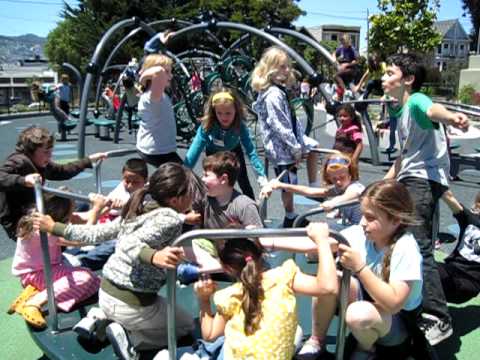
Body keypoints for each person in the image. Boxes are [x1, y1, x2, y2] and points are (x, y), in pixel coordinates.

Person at [32, 163, 198, 360]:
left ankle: (100, 319)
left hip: (107, 293)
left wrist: (56, 227)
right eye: (191, 194)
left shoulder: (140, 205)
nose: (194, 198)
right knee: (186, 325)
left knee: (166, 311)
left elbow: (100, 232)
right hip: (132, 303)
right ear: (176, 199)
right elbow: (131, 242)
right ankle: (131, 339)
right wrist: (154, 256)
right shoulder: (170, 218)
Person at [382, 53, 469, 346]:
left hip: (421, 181)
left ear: (407, 79)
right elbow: (405, 155)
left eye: (389, 73)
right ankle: (413, 305)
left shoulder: (417, 100)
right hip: (411, 178)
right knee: (403, 243)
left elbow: (434, 110)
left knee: (418, 247)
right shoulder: (401, 111)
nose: (384, 77)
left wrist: (453, 117)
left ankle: (438, 317)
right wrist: (382, 184)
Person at [299, 179, 423, 359]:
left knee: (359, 314)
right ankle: (317, 340)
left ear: (396, 220)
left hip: (399, 325)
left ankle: (366, 348)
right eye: (363, 215)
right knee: (332, 279)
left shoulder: (406, 248)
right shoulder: (361, 233)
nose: (363, 222)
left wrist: (360, 267)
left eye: (371, 218)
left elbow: (394, 303)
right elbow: (314, 243)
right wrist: (265, 242)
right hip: (373, 309)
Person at [192, 223, 338, 360]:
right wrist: (321, 241)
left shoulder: (231, 296)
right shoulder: (284, 277)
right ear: (261, 253)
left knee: (217, 344)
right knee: (297, 332)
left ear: (227, 268)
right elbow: (328, 287)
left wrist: (203, 299)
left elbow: (209, 334)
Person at [8, 190, 102, 329]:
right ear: (61, 213)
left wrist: (105, 206)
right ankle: (34, 303)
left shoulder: (38, 217)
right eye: (71, 210)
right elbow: (83, 238)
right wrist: (97, 208)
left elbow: (83, 217)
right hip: (37, 273)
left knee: (95, 283)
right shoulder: (45, 230)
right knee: (85, 277)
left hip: (43, 269)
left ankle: (35, 291)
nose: (73, 213)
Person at [252, 46, 319, 227]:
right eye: (282, 67)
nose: (287, 70)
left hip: (290, 140)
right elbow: (279, 124)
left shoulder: (277, 90)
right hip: (281, 145)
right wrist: (294, 147)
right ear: (271, 69)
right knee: (288, 182)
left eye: (287, 66)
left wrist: (299, 142)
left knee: (313, 149)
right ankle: (290, 215)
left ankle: (313, 188)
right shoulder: (273, 94)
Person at [0, 126, 106, 240]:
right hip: (19, 221)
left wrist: (88, 160)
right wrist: (24, 180)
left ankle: (65, 241)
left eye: (51, 151)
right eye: (46, 152)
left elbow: (62, 171)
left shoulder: (40, 163)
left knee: (80, 205)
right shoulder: (19, 162)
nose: (50, 156)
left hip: (32, 210)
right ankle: (64, 243)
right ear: (30, 151)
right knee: (70, 206)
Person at [178, 151, 264, 283]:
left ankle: (204, 270)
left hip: (236, 254)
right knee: (183, 245)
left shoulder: (244, 205)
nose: (202, 179)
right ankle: (215, 267)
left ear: (223, 179)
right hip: (212, 249)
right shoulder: (203, 198)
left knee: (244, 258)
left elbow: (257, 243)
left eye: (206, 175)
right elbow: (192, 223)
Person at [184, 88, 268, 200]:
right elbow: (195, 150)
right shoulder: (207, 125)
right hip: (213, 154)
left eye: (228, 113)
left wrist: (261, 176)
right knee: (213, 184)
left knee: (244, 182)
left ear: (236, 111)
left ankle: (252, 207)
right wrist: (184, 171)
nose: (224, 117)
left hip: (233, 152)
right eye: (219, 113)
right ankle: (213, 210)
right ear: (214, 112)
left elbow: (251, 150)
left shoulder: (239, 126)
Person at [66, 158, 149, 271]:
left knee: (117, 244)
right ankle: (65, 223)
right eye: (126, 181)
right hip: (105, 222)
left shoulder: (148, 196)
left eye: (135, 182)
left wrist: (124, 206)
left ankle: (83, 262)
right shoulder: (121, 188)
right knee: (79, 206)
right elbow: (102, 210)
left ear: (145, 181)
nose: (129, 185)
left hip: (118, 230)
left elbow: (139, 211)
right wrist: (88, 212)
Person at [269, 153, 364, 230]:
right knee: (315, 230)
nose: (338, 182)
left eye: (342, 177)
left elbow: (350, 195)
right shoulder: (340, 187)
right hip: (352, 225)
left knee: (320, 233)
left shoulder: (355, 187)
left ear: (350, 174)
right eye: (334, 179)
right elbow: (310, 191)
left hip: (362, 229)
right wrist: (281, 185)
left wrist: (333, 202)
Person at [136, 54, 182, 167]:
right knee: (182, 177)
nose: (170, 76)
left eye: (170, 72)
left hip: (159, 149)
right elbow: (159, 71)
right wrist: (143, 77)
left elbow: (159, 72)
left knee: (179, 177)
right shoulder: (153, 96)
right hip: (157, 151)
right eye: (167, 72)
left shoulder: (157, 95)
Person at [436, 190, 480, 304]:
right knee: (422, 267)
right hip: (450, 273)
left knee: (428, 271)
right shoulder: (470, 219)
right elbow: (448, 197)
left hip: (469, 284)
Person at [332, 34, 359, 100]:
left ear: (348, 41)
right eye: (342, 42)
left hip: (351, 69)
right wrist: (336, 62)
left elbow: (357, 61)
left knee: (335, 76)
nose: (343, 44)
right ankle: (340, 97)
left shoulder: (352, 49)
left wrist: (347, 64)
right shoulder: (340, 48)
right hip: (342, 70)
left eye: (345, 43)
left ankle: (346, 91)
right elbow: (334, 54)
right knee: (339, 83)